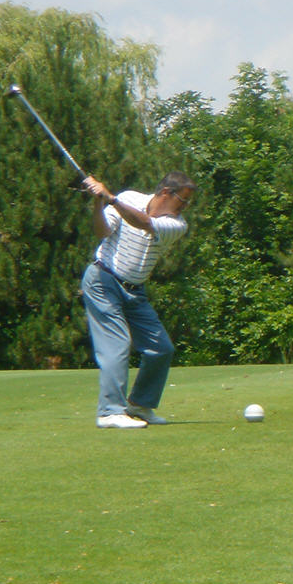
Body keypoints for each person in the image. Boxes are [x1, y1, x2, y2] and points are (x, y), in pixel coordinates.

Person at [77, 172, 193, 429]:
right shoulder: (129, 198)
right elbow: (101, 231)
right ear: (165, 193)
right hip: (102, 280)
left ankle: (139, 405)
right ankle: (109, 412)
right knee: (117, 344)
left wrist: (110, 198)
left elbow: (143, 223)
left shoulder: (177, 224)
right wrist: (99, 202)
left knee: (161, 348)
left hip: (135, 289)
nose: (185, 208)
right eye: (182, 201)